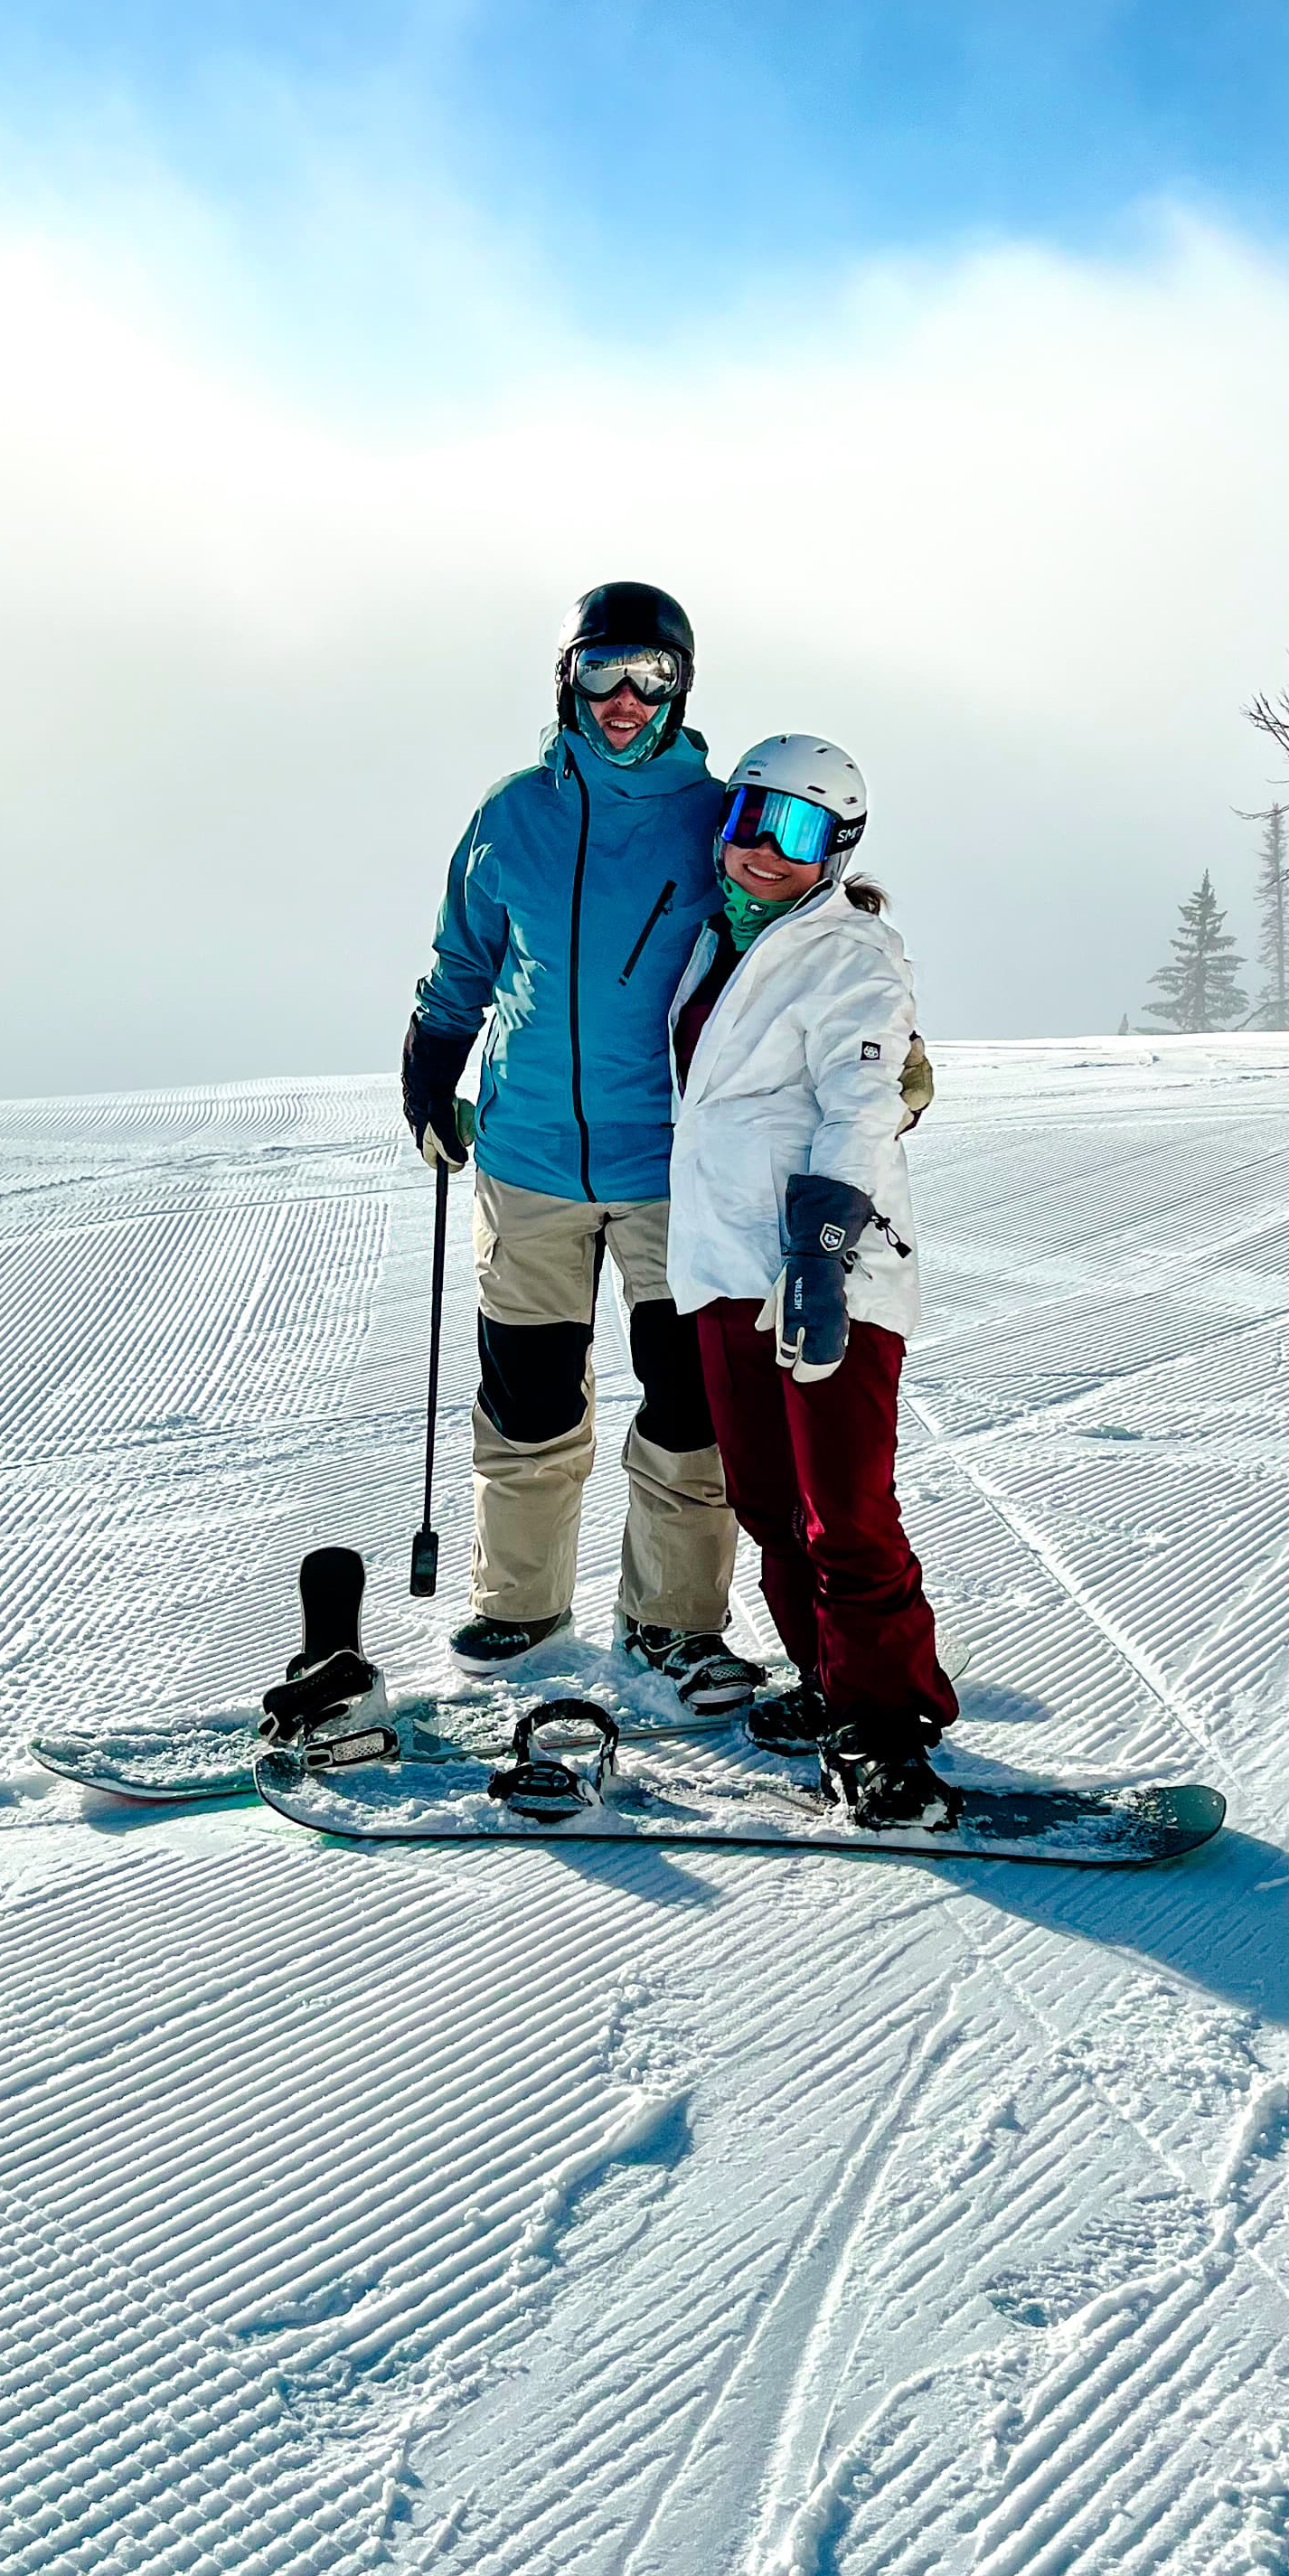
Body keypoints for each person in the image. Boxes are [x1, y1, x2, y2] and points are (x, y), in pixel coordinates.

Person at [399, 584, 756, 1710]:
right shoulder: (514, 817)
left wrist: (881, 1048)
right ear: (568, 678)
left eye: (650, 676)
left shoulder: (720, 819)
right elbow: (463, 964)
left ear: (681, 688)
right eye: (604, 669)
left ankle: (671, 1625)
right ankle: (520, 1603)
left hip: (672, 1165)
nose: (624, 698)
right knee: (530, 1394)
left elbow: (798, 937)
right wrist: (428, 1071)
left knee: (690, 1399)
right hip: (530, 1155)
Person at [661, 736, 961, 1829]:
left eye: (791, 831)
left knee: (845, 1510)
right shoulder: (714, 939)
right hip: (724, 1265)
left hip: (824, 1258)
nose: (759, 850)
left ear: (835, 847)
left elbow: (864, 1102)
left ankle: (888, 1729)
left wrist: (823, 1251)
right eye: (746, 819)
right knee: (767, 1504)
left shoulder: (853, 954)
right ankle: (830, 1683)